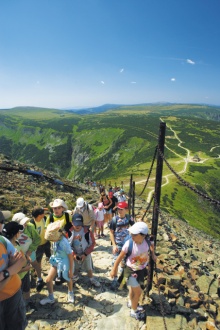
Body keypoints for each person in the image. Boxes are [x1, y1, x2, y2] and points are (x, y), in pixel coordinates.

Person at [110, 222, 157, 320]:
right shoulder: (129, 244)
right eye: (131, 234)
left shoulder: (147, 241)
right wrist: (114, 269)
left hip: (141, 269)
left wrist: (153, 254)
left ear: (143, 235)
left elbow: (152, 245)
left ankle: (131, 302)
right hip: (130, 270)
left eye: (134, 234)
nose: (132, 236)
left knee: (132, 289)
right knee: (138, 292)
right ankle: (134, 311)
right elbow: (120, 257)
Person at [40, 220, 74, 305]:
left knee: (67, 278)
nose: (51, 241)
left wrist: (71, 270)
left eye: (52, 239)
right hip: (56, 260)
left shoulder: (64, 242)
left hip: (65, 261)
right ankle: (51, 298)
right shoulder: (55, 240)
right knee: (48, 280)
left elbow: (70, 257)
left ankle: (70, 293)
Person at [2, 221, 33, 309]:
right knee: (20, 292)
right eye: (19, 232)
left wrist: (26, 257)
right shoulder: (11, 251)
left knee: (26, 288)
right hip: (18, 276)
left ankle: (27, 302)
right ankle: (22, 306)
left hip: (23, 273)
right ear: (16, 235)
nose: (20, 233)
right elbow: (11, 269)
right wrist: (25, 269)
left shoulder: (13, 244)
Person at [0, 234, 27, 330]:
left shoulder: (2, 240)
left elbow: (22, 260)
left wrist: (5, 273)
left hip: (14, 293)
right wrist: (10, 271)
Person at [12, 212, 44, 292]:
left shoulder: (30, 227)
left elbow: (37, 239)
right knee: (22, 268)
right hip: (19, 253)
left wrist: (30, 250)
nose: (26, 224)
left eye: (26, 222)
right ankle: (23, 284)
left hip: (30, 250)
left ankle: (39, 279)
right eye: (23, 223)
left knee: (34, 264)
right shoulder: (13, 229)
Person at [69, 213, 100, 287]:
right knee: (75, 267)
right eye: (75, 224)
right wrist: (74, 254)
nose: (77, 226)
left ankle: (91, 279)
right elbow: (67, 245)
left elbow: (92, 243)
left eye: (79, 224)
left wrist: (85, 253)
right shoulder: (70, 232)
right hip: (74, 253)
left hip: (86, 252)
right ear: (72, 223)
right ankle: (75, 278)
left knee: (89, 267)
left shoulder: (87, 232)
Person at [108, 201, 134, 289]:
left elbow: (135, 227)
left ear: (126, 210)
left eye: (122, 209)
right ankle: (114, 280)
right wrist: (114, 245)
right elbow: (111, 233)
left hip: (127, 244)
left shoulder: (129, 218)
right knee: (115, 261)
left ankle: (122, 281)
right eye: (118, 209)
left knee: (124, 263)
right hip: (118, 244)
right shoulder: (114, 220)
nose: (120, 211)